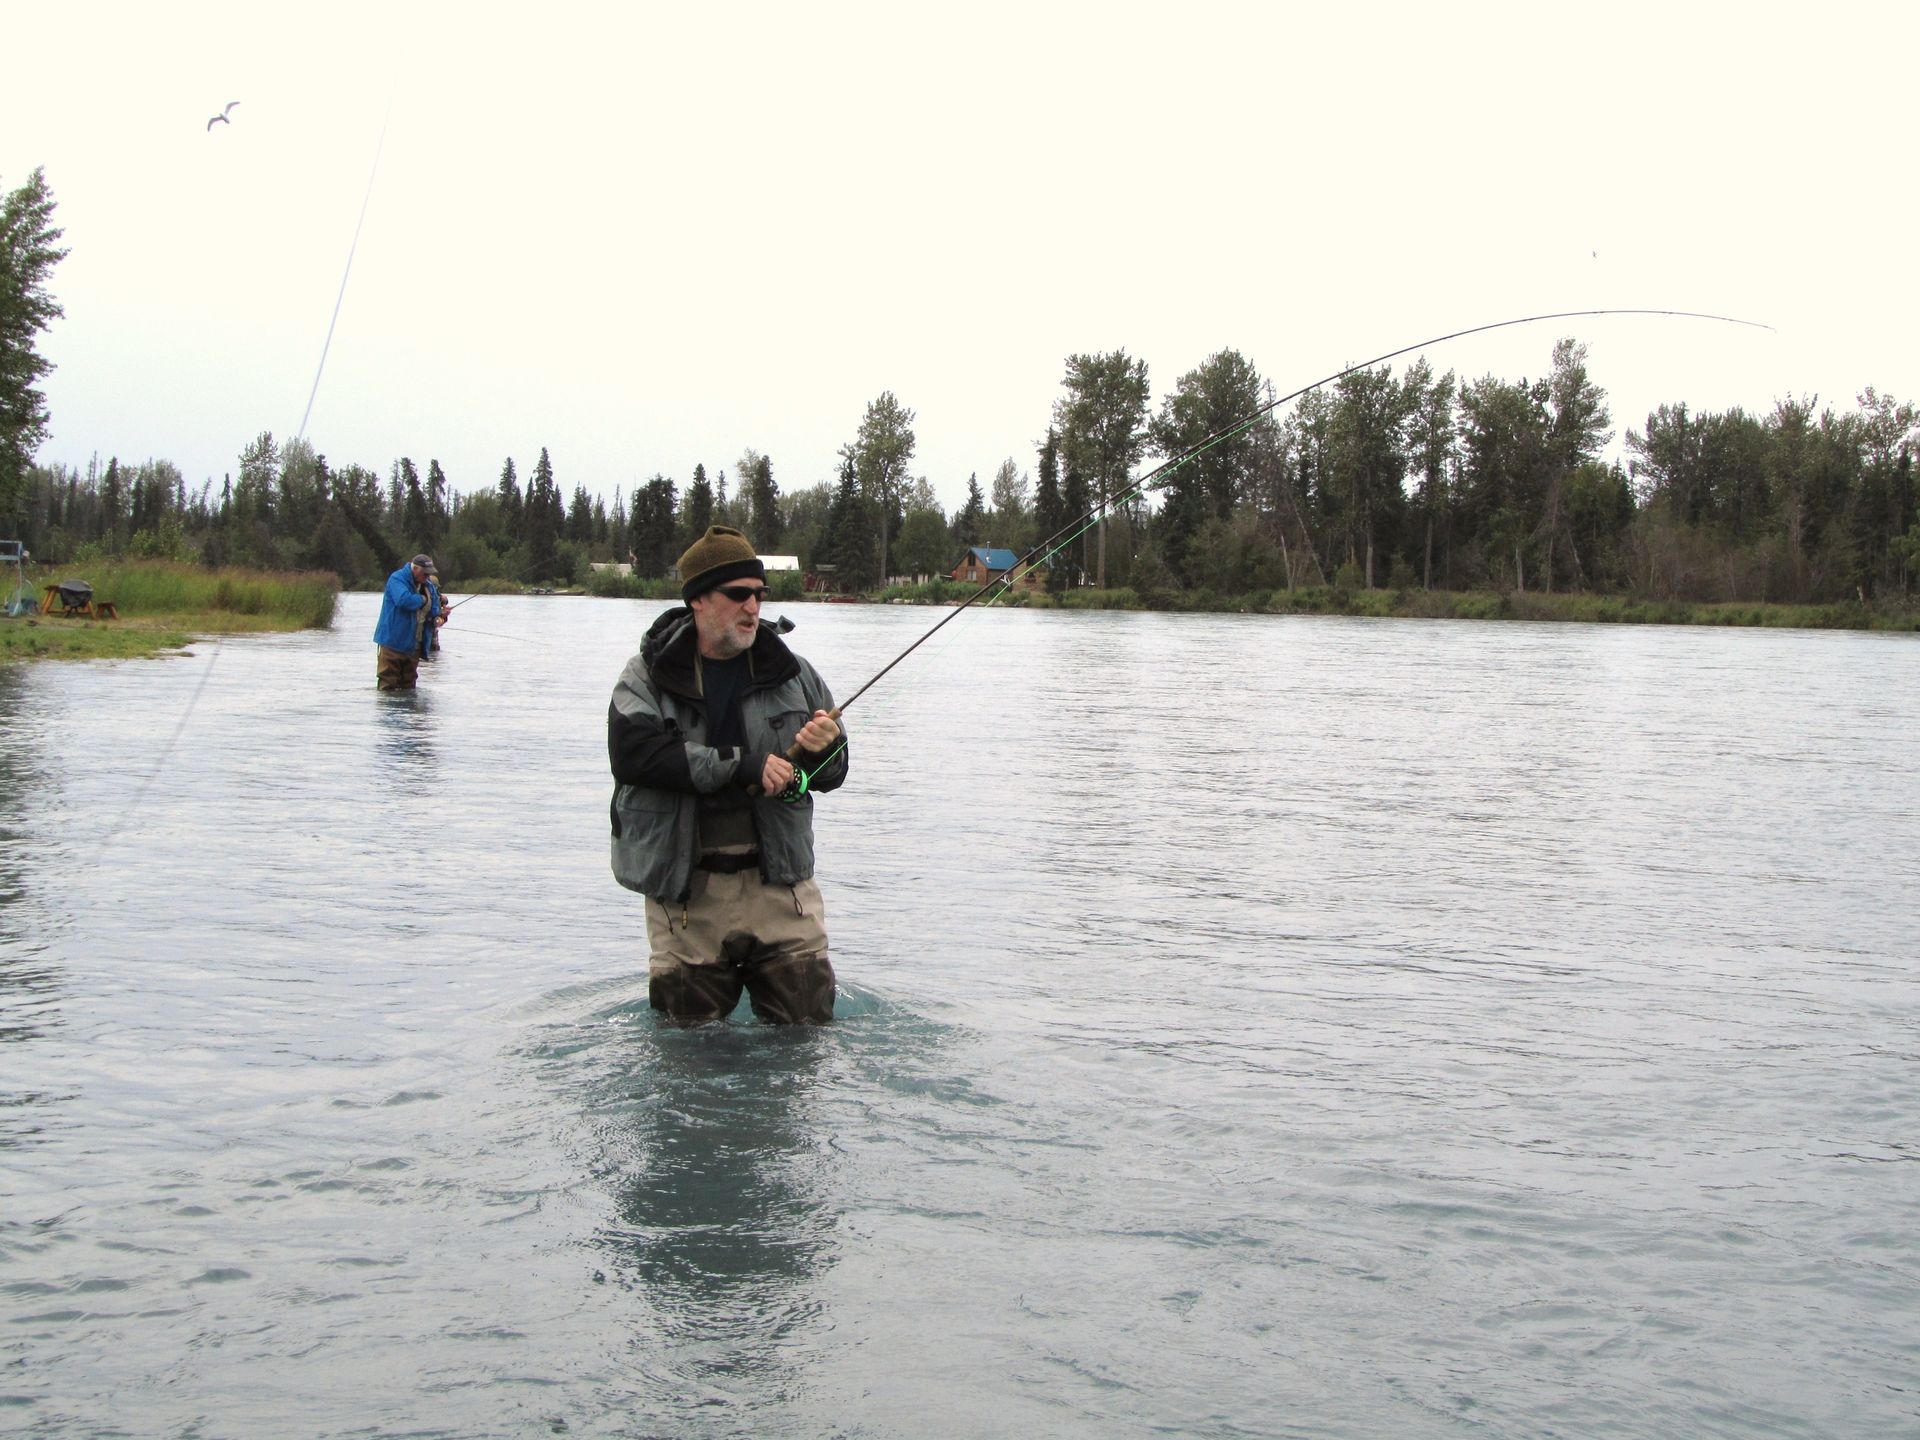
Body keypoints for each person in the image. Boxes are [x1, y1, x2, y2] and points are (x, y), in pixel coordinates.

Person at [608, 525, 848, 1024]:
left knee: (805, 1040)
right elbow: (634, 756)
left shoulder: (796, 673)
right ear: (697, 599)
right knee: (687, 1053)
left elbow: (833, 773)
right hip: (687, 898)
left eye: (759, 594)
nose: (752, 607)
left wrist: (828, 749)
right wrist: (742, 765)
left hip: (783, 890)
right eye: (738, 594)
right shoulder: (645, 676)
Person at [373, 554, 433, 690]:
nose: (427, 577)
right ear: (415, 569)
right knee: (387, 685)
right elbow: (403, 600)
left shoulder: (426, 584)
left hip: (413, 645)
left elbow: (433, 603)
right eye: (425, 574)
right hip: (392, 643)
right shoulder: (397, 579)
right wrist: (422, 600)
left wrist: (439, 615)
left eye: (429, 574)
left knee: (409, 687)